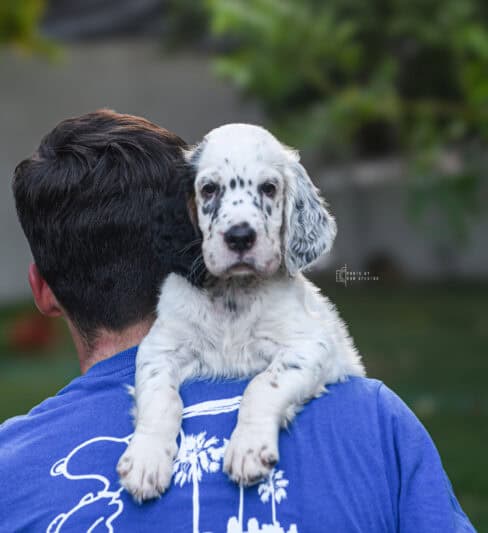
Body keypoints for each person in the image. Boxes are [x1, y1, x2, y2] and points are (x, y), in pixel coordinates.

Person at [0, 110, 474, 533]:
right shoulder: (377, 424)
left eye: (265, 190)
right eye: (211, 192)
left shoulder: (10, 468)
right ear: (189, 231)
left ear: (41, 290)